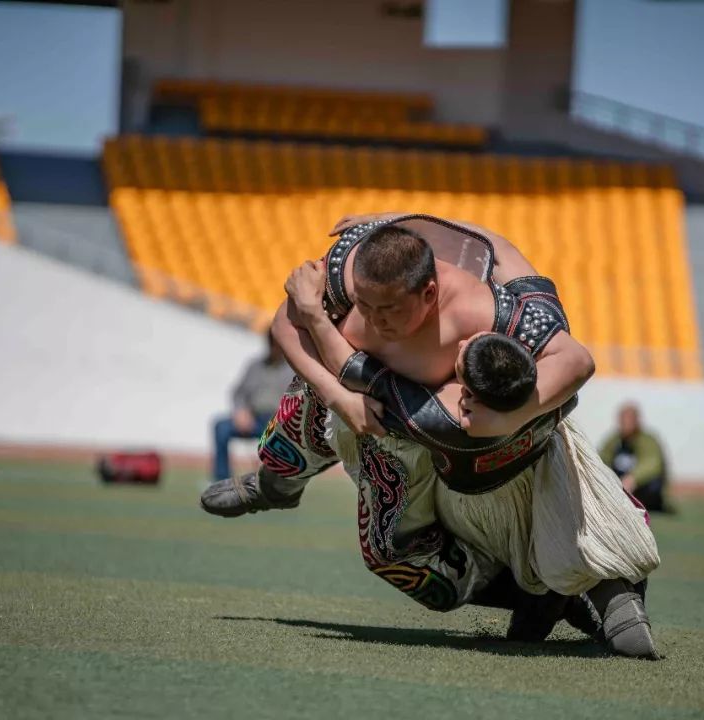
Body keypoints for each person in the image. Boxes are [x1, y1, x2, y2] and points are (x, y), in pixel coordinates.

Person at [201, 215, 602, 640]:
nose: (374, 321)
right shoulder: (344, 266)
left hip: (464, 445)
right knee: (311, 393)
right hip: (371, 408)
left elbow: (576, 360)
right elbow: (286, 324)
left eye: (388, 309)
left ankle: (537, 594)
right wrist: (340, 396)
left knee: (391, 555)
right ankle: (275, 485)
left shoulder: (502, 313)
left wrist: (508, 417)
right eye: (366, 306)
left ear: (429, 292)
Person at [285, 259, 660, 658]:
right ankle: (610, 597)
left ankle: (546, 595)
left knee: (390, 550)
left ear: (468, 397)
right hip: (562, 477)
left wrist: (312, 315)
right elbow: (569, 343)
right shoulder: (553, 390)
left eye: (461, 362)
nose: (462, 342)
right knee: (571, 521)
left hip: (488, 504)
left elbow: (352, 369)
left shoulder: (447, 420)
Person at [211, 332, 294, 481]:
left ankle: (276, 482)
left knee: (280, 438)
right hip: (253, 419)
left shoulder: (293, 369)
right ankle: (221, 479)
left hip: (277, 423)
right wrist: (240, 411)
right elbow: (238, 393)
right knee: (220, 427)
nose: (275, 347)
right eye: (272, 342)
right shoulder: (254, 366)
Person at [599, 402, 670, 513]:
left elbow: (653, 464)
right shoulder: (614, 441)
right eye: (622, 420)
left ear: (637, 421)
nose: (625, 424)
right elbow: (602, 459)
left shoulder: (648, 441)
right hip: (620, 487)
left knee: (653, 484)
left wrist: (633, 478)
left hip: (642, 489)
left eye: (629, 420)